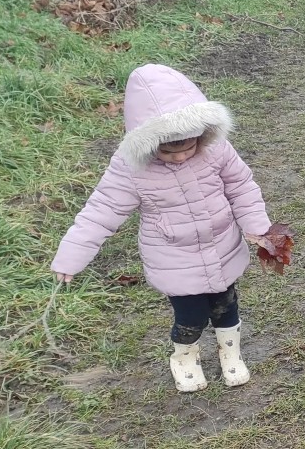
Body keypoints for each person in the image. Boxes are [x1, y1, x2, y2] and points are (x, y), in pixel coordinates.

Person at [51, 64, 276, 393]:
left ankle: (231, 353)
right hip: (174, 258)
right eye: (170, 151)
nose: (182, 156)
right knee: (191, 315)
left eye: (189, 147)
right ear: (150, 142)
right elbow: (102, 210)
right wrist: (71, 256)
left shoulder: (216, 149)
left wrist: (256, 227)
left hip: (222, 247)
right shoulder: (131, 168)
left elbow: (241, 186)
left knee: (226, 305)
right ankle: (184, 357)